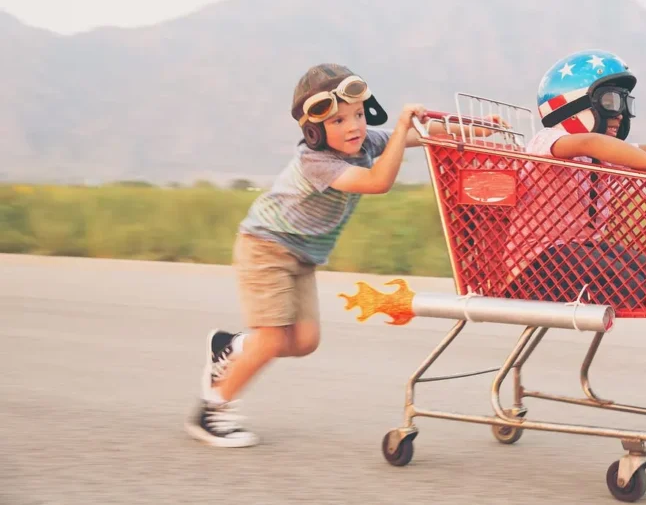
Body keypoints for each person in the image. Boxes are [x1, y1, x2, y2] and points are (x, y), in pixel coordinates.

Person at [185, 63, 503, 448]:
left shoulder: (364, 143)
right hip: (266, 247)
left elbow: (423, 133)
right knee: (271, 339)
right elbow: (377, 181)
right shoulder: (316, 162)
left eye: (358, 115)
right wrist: (402, 127)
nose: (354, 127)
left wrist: (477, 128)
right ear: (315, 131)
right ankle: (212, 409)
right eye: (338, 120)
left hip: (301, 256)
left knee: (304, 341)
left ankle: (231, 347)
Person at [502, 49, 646, 310]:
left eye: (625, 104)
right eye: (611, 102)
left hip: (581, 252)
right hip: (535, 265)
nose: (620, 114)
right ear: (573, 106)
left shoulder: (603, 155)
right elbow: (591, 142)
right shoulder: (548, 140)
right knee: (627, 280)